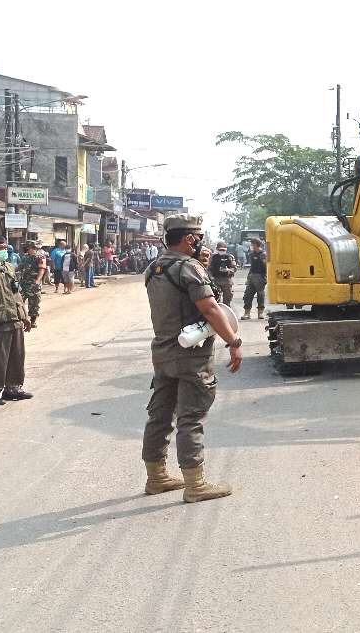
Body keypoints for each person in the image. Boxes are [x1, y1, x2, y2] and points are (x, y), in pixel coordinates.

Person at [141, 214, 241, 503]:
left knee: (159, 416)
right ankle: (195, 484)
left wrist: (203, 267)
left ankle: (156, 477)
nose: (201, 242)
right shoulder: (188, 268)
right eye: (198, 237)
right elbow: (211, 308)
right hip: (191, 357)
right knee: (191, 417)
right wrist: (234, 341)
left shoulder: (154, 268)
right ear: (189, 239)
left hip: (162, 353)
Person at [0, 235, 34, 405]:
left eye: (5, 248)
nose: (5, 252)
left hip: (14, 320)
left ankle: (13, 388)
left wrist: (24, 316)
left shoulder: (8, 267)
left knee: (17, 356)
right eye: (1, 249)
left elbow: (16, 293)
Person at [17, 242, 42, 328]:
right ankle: (20, 318)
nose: (26, 248)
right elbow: (20, 267)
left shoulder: (40, 256)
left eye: (27, 247)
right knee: (19, 301)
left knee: (34, 303)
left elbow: (42, 269)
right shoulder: (25, 257)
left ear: (32, 247)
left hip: (33, 284)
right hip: (24, 283)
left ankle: (33, 321)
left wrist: (38, 280)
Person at [241, 238, 267, 320]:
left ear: (256, 244)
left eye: (252, 244)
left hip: (260, 276)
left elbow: (267, 266)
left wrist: (266, 277)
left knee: (260, 295)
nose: (251, 246)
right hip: (252, 276)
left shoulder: (263, 254)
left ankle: (260, 313)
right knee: (248, 295)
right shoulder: (252, 254)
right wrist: (248, 277)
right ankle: (247, 313)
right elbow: (252, 267)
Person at [208, 241, 238, 306]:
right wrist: (211, 277)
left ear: (226, 249)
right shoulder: (213, 257)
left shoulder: (230, 257)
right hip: (216, 279)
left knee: (228, 297)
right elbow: (209, 268)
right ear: (217, 249)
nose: (221, 251)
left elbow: (234, 268)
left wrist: (228, 270)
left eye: (223, 250)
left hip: (226, 280)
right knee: (215, 298)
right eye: (220, 250)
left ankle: (227, 311)